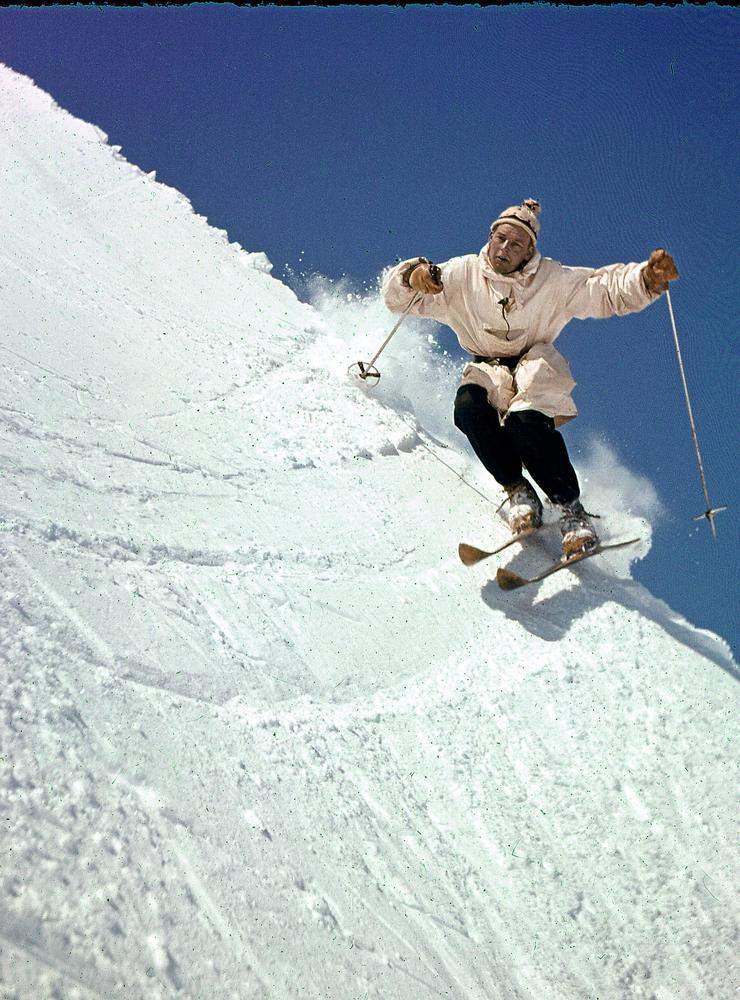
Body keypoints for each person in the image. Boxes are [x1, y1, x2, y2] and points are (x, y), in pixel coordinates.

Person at [381, 199, 678, 556]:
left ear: (529, 251)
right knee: (468, 409)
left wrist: (646, 280)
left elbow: (602, 290)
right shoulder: (462, 274)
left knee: (525, 424)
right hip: (487, 367)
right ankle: (518, 491)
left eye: (515, 244)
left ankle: (571, 511)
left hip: (534, 366)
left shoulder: (552, 280)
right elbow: (400, 299)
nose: (504, 248)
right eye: (500, 239)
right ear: (490, 237)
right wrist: (412, 276)